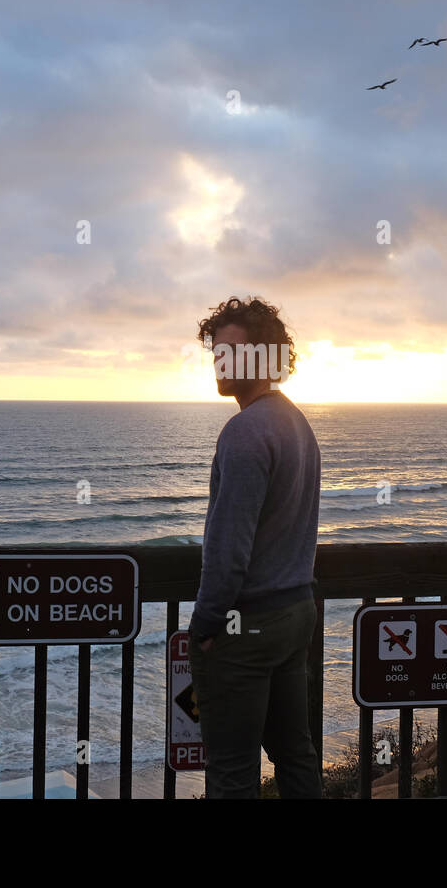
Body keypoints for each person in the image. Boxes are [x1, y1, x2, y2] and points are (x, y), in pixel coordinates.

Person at [187, 295, 323, 799]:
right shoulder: (296, 423)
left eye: (232, 352)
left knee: (231, 772)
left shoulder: (244, 432)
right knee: (296, 755)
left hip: (246, 627)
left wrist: (204, 626)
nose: (220, 363)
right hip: (295, 612)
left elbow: (228, 550)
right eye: (216, 352)